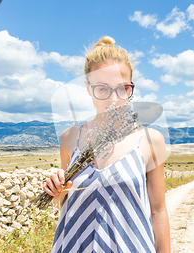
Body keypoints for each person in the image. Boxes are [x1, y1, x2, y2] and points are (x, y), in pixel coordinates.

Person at [43, 36, 171, 253]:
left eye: (122, 89)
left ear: (131, 88)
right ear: (88, 87)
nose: (113, 99)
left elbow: (158, 212)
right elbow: (64, 203)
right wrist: (56, 191)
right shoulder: (69, 138)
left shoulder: (151, 140)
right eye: (103, 89)